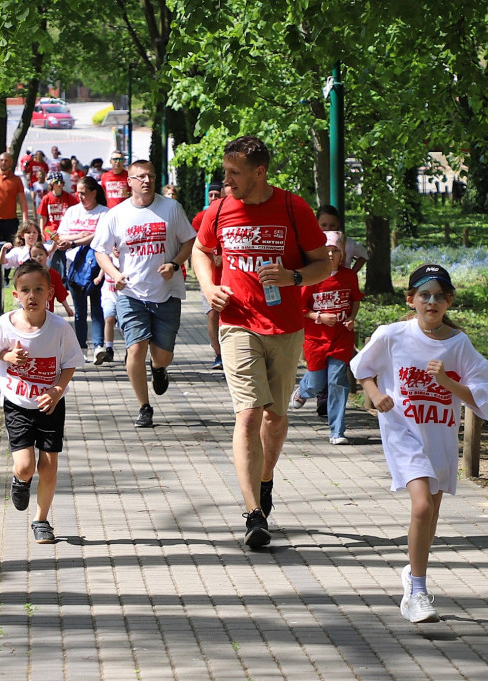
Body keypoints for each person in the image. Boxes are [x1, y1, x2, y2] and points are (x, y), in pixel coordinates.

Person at [192, 135, 331, 549]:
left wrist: (294, 277)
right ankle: (253, 512)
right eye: (226, 172)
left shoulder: (293, 207)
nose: (227, 180)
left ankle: (265, 477)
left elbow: (323, 264)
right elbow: (200, 251)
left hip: (285, 327)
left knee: (274, 417)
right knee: (249, 415)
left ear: (260, 172)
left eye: (235, 173)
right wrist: (208, 287)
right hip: (237, 323)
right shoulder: (220, 209)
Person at [351, 263, 488, 623]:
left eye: (439, 296)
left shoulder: (459, 344)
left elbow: (480, 396)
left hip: (439, 435)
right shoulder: (392, 335)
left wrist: (447, 382)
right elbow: (361, 367)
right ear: (410, 299)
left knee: (430, 515)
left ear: (449, 301)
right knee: (422, 507)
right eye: (425, 295)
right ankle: (417, 591)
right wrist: (376, 395)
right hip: (402, 432)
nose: (432, 302)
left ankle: (413, 571)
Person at [0, 260, 85, 544]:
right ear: (16, 295)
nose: (32, 296)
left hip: (50, 404)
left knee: (49, 466)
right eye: (25, 290)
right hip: (17, 402)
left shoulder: (59, 328)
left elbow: (71, 362)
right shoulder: (6, 324)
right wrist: (7, 356)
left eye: (39, 289)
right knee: (25, 466)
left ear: (50, 293)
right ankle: (20, 480)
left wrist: (57, 390)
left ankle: (41, 521)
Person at [91, 159, 195, 428]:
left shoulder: (171, 208)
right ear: (129, 182)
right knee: (135, 349)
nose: (146, 181)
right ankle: (144, 407)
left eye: (150, 176)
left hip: (166, 292)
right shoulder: (116, 214)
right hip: (131, 293)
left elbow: (189, 241)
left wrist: (174, 264)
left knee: (163, 356)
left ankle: (159, 369)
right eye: (140, 177)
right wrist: (115, 274)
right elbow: (100, 250)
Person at [288, 231, 363, 445]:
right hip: (316, 339)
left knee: (337, 380)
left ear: (342, 255)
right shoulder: (312, 277)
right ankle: (304, 390)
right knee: (317, 382)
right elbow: (300, 307)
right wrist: (319, 317)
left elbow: (355, 299)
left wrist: (351, 318)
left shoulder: (349, 276)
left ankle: (337, 431)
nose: (331, 255)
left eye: (335, 251)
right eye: (327, 251)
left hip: (341, 337)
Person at [57, 176, 109, 363]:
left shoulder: (104, 213)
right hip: (74, 266)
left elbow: (99, 235)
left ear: (94, 193)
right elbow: (61, 234)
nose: (79, 197)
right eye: (77, 193)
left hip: (96, 266)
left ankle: (99, 346)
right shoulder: (72, 211)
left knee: (97, 307)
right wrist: (78, 236)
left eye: (83, 193)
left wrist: (74, 242)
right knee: (79, 311)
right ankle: (81, 348)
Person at [191, 182, 227, 370]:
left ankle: (231, 355)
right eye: (211, 195)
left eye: (217, 195)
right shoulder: (201, 218)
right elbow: (195, 244)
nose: (213, 198)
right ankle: (219, 354)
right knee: (213, 314)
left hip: (229, 277)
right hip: (210, 278)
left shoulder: (230, 214)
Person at [316, 205, 367, 274]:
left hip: (342, 280)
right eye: (324, 225)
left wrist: (352, 273)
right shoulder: (312, 242)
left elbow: (364, 254)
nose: (328, 229)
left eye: (332, 225)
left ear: (338, 223)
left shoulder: (347, 243)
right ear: (316, 223)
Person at [28, 242, 75, 317]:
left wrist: (67, 308)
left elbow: (60, 293)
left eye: (41, 254)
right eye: (35, 256)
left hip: (48, 312)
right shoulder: (28, 275)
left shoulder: (54, 275)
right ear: (31, 258)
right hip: (31, 311)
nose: (38, 257)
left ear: (47, 254)